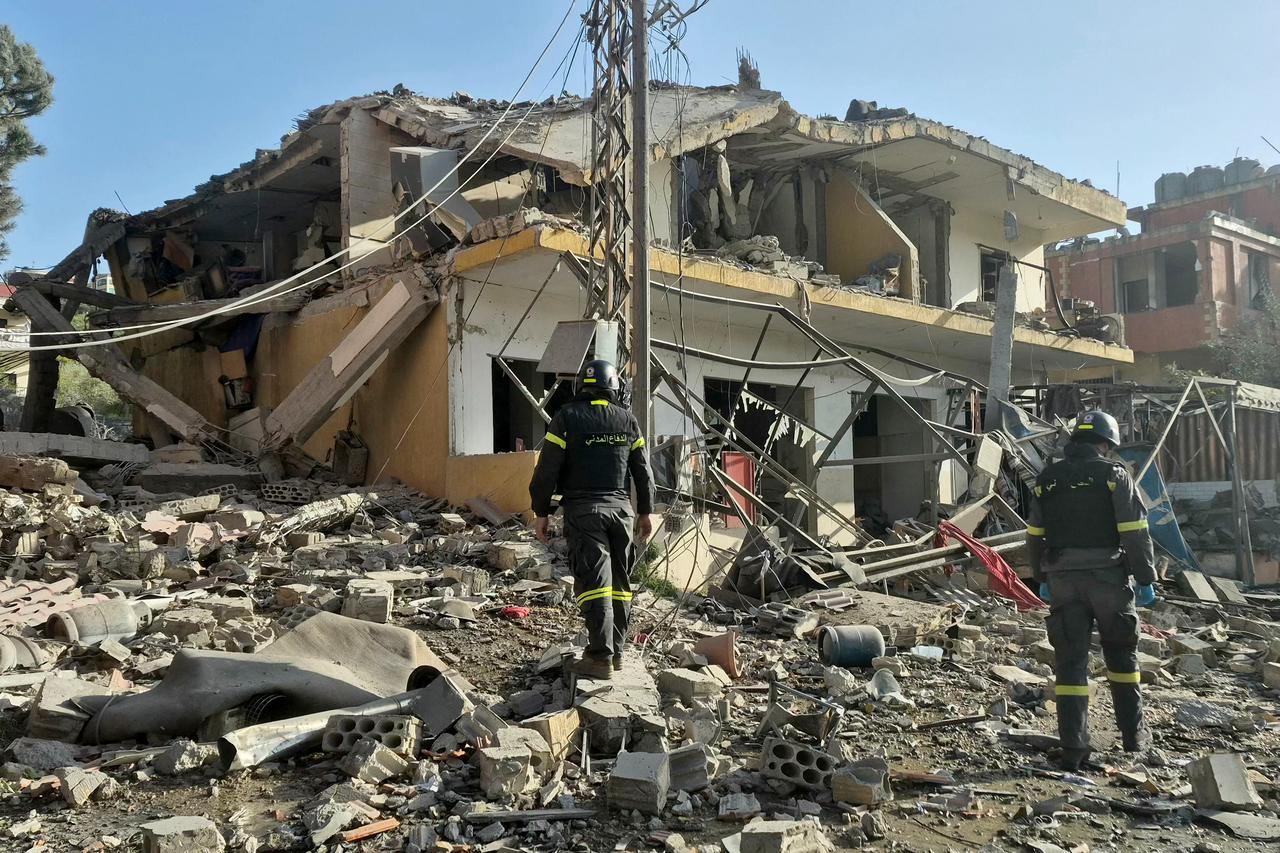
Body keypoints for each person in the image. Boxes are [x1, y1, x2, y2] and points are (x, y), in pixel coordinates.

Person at [1026, 410, 1156, 770]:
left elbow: (1035, 535)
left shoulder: (1046, 479)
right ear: (1106, 443)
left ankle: (1073, 749)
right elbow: (1133, 530)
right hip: (1108, 580)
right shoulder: (1114, 476)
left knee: (1070, 663)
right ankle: (1133, 739)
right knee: (1121, 657)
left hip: (1063, 580)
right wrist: (1145, 578)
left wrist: (1041, 577)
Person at [529, 359, 654, 680]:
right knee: (620, 585)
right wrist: (645, 512)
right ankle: (617, 653)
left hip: (585, 511)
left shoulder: (567, 418)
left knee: (595, 583)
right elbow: (643, 471)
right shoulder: (627, 420)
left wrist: (540, 512)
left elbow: (546, 471)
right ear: (613, 387)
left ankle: (600, 658)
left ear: (581, 388)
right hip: (622, 512)